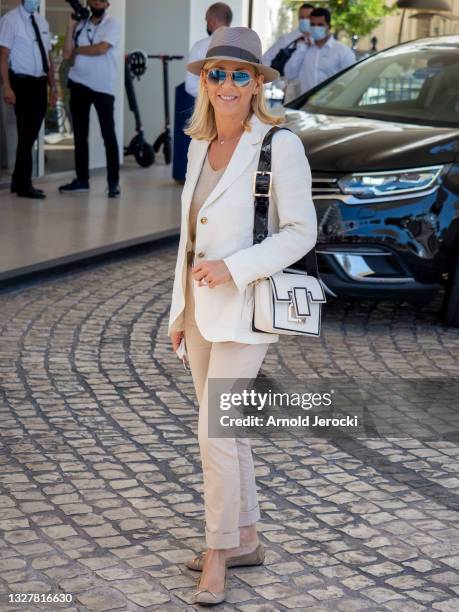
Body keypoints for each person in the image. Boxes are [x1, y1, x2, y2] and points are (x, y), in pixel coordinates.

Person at [168, 26, 317, 605]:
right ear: (204, 82)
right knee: (228, 433)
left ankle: (218, 552)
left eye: (238, 75)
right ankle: (248, 538)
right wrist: (177, 311)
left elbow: (300, 232)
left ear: (257, 84)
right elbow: (185, 239)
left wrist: (237, 267)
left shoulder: (280, 146)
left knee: (214, 432)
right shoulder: (198, 144)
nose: (225, 84)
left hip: (246, 308)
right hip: (200, 310)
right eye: (215, 74)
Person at [58, 0, 121, 198]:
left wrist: (78, 50)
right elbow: (67, 53)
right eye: (93, 0)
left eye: (100, 1)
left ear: (107, 4)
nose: (96, 3)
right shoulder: (81, 25)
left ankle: (113, 183)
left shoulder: (113, 25)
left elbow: (101, 49)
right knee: (79, 134)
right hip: (78, 83)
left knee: (108, 135)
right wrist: (70, 27)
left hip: (103, 87)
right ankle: (81, 180)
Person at [0, 0, 56, 199]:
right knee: (26, 133)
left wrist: (54, 87)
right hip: (21, 83)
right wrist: (7, 86)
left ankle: (17, 180)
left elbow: (48, 57)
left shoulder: (42, 22)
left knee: (29, 134)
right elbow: (3, 57)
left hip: (40, 83)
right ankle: (25, 185)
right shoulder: (10, 20)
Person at [284, 7, 355, 96]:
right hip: (305, 105)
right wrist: (303, 48)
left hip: (330, 106)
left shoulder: (342, 51)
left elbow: (350, 81)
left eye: (320, 25)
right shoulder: (304, 48)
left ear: (329, 27)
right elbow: (289, 74)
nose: (315, 27)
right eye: (312, 24)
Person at [262, 3, 314, 101]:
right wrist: (280, 84)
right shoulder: (288, 39)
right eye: (302, 17)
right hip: (292, 94)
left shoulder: (318, 41)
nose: (305, 20)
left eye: (308, 17)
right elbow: (266, 59)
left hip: (315, 93)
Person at [185, 2, 232, 99]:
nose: (207, 25)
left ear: (212, 21)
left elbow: (190, 86)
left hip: (208, 107)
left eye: (207, 21)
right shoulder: (243, 46)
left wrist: (216, 96)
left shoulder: (199, 46)